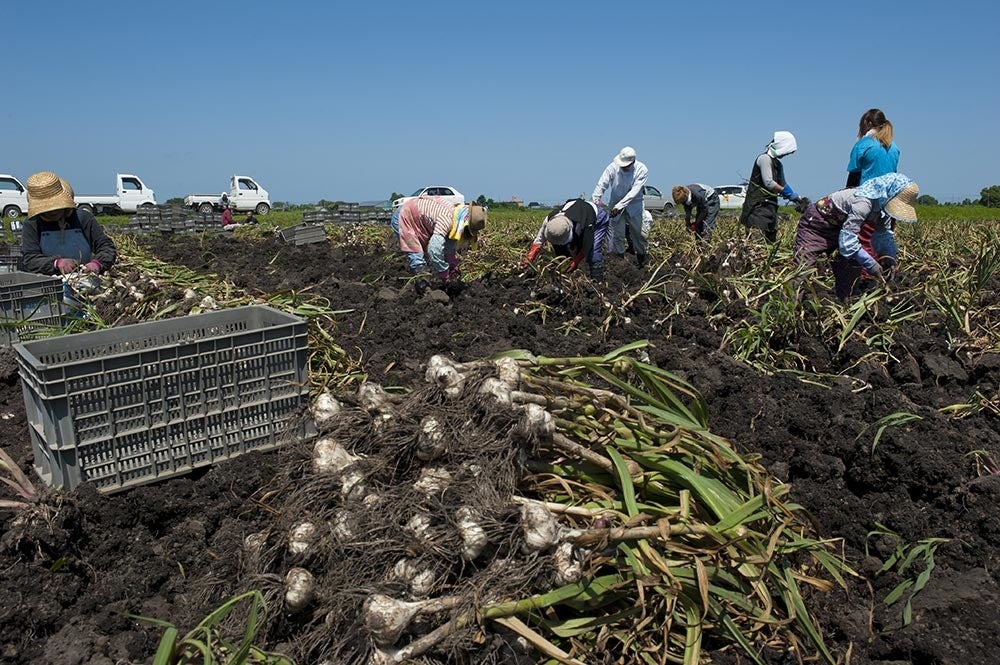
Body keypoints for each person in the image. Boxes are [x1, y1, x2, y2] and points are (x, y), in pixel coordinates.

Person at [793, 173, 918, 300]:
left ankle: (846, 302)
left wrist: (890, 259)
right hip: (816, 227)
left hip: (841, 230)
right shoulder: (863, 202)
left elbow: (882, 235)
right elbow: (848, 239)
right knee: (803, 269)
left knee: (851, 268)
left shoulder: (882, 210)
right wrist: (870, 263)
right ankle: (793, 307)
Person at [20, 171, 117, 311]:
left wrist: (97, 263)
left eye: (55, 207)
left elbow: (106, 247)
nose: (52, 212)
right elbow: (30, 259)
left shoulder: (83, 218)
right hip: (49, 290)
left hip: (85, 285)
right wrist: (57, 263)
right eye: (47, 209)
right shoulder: (32, 224)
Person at [397, 196, 487, 295]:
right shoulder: (447, 218)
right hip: (406, 215)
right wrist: (444, 273)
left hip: (419, 219)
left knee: (424, 256)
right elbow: (434, 250)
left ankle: (426, 287)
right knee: (417, 257)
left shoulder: (456, 215)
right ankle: (425, 291)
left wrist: (452, 263)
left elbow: (449, 242)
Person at [739, 131, 802, 243]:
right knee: (756, 244)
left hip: (770, 208)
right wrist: (787, 193)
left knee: (770, 242)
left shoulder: (778, 164)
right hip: (757, 208)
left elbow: (783, 184)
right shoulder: (764, 159)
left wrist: (796, 197)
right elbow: (769, 182)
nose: (785, 155)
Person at [523, 198, 611, 278]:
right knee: (562, 252)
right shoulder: (549, 221)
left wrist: (576, 261)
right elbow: (538, 242)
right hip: (573, 217)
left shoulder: (583, 224)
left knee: (593, 252)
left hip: (597, 217)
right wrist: (529, 260)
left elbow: (587, 245)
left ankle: (597, 281)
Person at [592, 146, 649, 267]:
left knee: (638, 234)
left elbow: (634, 192)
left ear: (633, 162)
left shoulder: (642, 169)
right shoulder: (613, 167)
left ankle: (642, 259)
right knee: (617, 235)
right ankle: (620, 262)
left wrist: (620, 206)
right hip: (615, 205)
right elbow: (602, 183)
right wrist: (596, 199)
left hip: (634, 206)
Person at [846, 109, 900, 188]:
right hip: (888, 194)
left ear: (869, 124)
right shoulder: (894, 146)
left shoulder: (862, 144)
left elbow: (853, 175)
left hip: (866, 194)